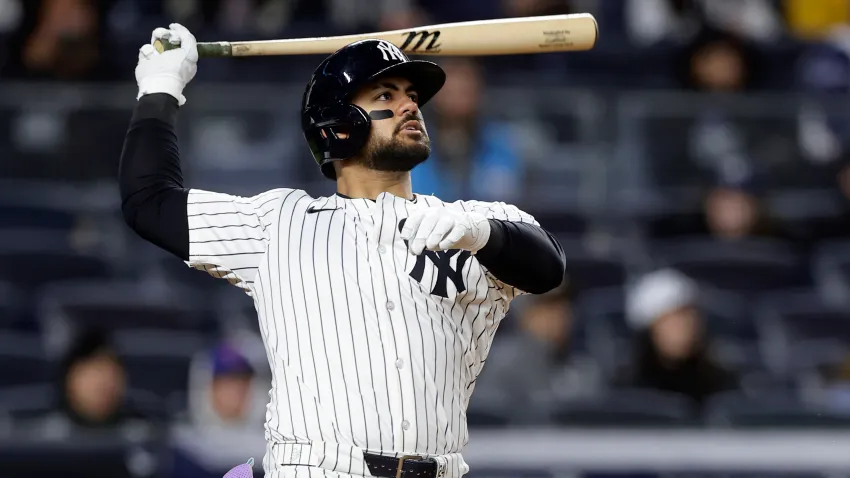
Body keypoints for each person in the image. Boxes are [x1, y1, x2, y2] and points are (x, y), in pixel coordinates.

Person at [119, 23, 566, 478]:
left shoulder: (471, 222)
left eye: (411, 95)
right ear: (337, 126)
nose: (410, 105)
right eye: (385, 97)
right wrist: (160, 91)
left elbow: (548, 269)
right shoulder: (280, 224)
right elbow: (149, 203)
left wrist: (480, 232)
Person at [621, 269, 740, 409]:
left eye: (691, 315)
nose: (687, 325)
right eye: (674, 318)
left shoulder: (721, 383)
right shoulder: (627, 388)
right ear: (650, 328)